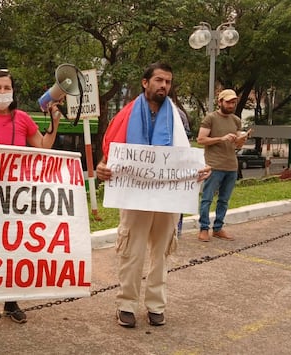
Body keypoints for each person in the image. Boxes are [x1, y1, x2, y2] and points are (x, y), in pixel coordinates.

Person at [95, 62, 210, 328]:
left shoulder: (179, 117)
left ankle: (156, 305)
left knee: (162, 253)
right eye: (159, 80)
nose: (163, 86)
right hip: (135, 196)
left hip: (168, 198)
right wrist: (102, 168)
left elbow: (183, 155)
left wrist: (198, 170)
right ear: (145, 83)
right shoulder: (124, 115)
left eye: (168, 82)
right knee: (132, 252)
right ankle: (126, 305)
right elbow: (111, 153)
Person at [0, 69, 62, 323]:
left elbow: (43, 147)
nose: (3, 92)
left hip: (17, 196)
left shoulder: (23, 118)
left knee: (13, 247)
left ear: (13, 91)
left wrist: (55, 121)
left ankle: (10, 301)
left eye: (7, 88)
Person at [196, 89, 247, 242]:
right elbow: (201, 139)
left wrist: (240, 140)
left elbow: (237, 145)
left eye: (233, 102)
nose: (231, 105)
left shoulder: (236, 120)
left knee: (224, 200)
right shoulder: (210, 118)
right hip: (214, 165)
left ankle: (218, 228)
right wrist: (221, 138)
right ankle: (203, 228)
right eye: (228, 102)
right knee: (207, 198)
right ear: (220, 102)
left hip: (231, 165)